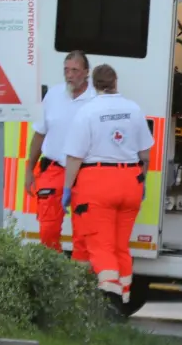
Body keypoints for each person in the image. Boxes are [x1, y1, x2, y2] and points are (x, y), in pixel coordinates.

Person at [63, 65, 153, 302]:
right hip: (131, 180)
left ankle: (110, 300)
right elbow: (145, 154)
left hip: (97, 182)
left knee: (100, 245)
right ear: (116, 82)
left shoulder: (87, 111)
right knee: (120, 246)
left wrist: (67, 188)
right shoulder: (133, 109)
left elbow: (74, 157)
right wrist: (142, 180)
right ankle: (124, 299)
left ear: (93, 83)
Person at [24, 51, 95, 253]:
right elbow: (39, 134)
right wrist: (29, 170)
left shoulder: (95, 100)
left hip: (85, 172)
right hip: (54, 168)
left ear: (86, 72)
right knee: (48, 227)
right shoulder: (54, 95)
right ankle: (53, 273)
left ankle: (79, 278)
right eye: (66, 70)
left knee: (83, 232)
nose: (69, 75)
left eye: (75, 70)